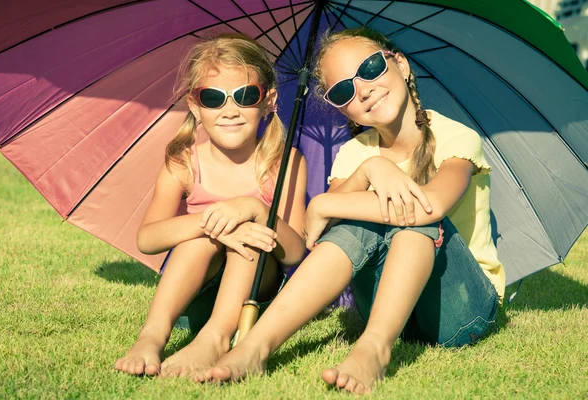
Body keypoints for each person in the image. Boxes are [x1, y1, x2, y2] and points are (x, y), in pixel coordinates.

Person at [198, 28, 505, 394]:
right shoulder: (355, 153)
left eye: (371, 68)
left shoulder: (455, 137)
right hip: (385, 307)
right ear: (342, 107)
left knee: (413, 219)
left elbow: (429, 206)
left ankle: (374, 349)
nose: (364, 89)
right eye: (344, 90)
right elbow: (328, 232)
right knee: (358, 222)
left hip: (459, 307)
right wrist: (369, 170)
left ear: (401, 65)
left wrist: (325, 202)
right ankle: (256, 346)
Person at [114, 34, 307, 378]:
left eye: (246, 96)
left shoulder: (286, 161)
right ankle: (152, 335)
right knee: (198, 239)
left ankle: (216, 338)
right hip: (196, 289)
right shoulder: (184, 162)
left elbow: (294, 254)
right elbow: (148, 238)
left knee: (249, 240)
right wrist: (214, 223)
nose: (230, 110)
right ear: (195, 105)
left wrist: (256, 210)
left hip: (255, 295)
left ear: (269, 101)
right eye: (213, 98)